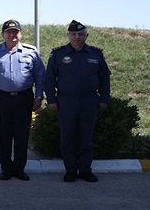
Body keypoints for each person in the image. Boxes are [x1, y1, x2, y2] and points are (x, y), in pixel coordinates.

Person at [45, 20, 111, 183]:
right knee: (68, 137)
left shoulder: (95, 54)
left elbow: (104, 78)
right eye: (73, 34)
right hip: (66, 101)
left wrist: (104, 99)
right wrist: (51, 100)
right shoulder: (58, 54)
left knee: (86, 138)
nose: (77, 37)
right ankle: (70, 170)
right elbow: (49, 79)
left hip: (89, 101)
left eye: (81, 34)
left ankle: (86, 170)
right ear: (68, 35)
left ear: (86, 36)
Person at [0, 20, 45, 181]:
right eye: (9, 32)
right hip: (1, 97)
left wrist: (39, 96)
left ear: (21, 34)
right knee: (3, 134)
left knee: (22, 134)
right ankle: (5, 168)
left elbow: (40, 76)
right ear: (3, 34)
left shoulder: (31, 52)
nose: (12, 35)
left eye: (15, 32)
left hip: (24, 98)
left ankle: (19, 168)